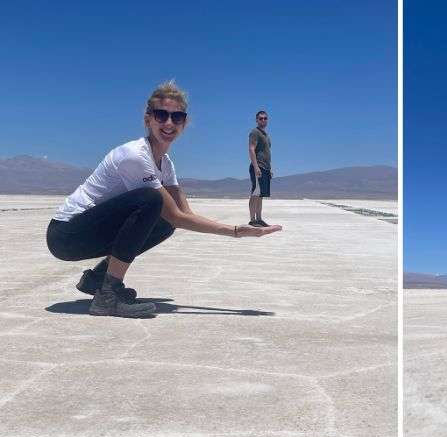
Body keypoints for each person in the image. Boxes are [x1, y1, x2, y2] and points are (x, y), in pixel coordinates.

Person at [46, 81, 282, 318]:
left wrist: (236, 230)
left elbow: (183, 214)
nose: (169, 123)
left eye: (177, 117)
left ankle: (97, 280)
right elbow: (176, 215)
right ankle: (108, 295)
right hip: (66, 235)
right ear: (148, 119)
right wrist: (235, 231)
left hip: (87, 232)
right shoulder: (135, 156)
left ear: (184, 123)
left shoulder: (165, 164)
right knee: (151, 201)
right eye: (161, 115)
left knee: (164, 223)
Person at [248, 110, 273, 226]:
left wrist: (270, 169)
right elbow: (251, 149)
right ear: (257, 120)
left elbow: (267, 153)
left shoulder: (266, 136)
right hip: (258, 166)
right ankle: (252, 220)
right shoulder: (255, 132)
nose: (263, 120)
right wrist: (256, 167)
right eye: (261, 118)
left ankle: (259, 219)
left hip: (265, 168)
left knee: (261, 195)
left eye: (265, 118)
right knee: (255, 193)